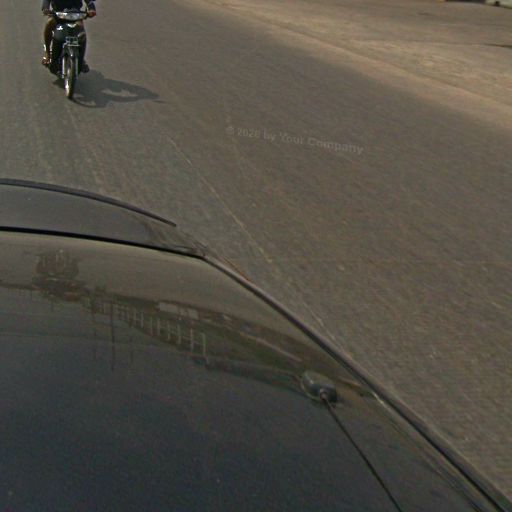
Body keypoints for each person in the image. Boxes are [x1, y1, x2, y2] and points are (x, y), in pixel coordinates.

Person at [41, 0, 96, 72]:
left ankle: (81, 60)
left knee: (80, 29)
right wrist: (45, 8)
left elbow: (89, 1)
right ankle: (47, 53)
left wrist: (92, 9)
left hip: (75, 15)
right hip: (58, 15)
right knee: (49, 23)